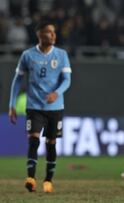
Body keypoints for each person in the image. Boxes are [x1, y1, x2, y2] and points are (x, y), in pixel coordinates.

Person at [8, 21, 71, 193]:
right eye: (49, 32)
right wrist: (11, 104)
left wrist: (56, 93)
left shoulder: (61, 54)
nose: (53, 35)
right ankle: (31, 178)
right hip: (34, 106)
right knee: (33, 140)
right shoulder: (27, 55)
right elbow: (17, 80)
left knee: (51, 143)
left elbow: (67, 80)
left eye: (54, 32)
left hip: (55, 108)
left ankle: (48, 180)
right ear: (40, 35)